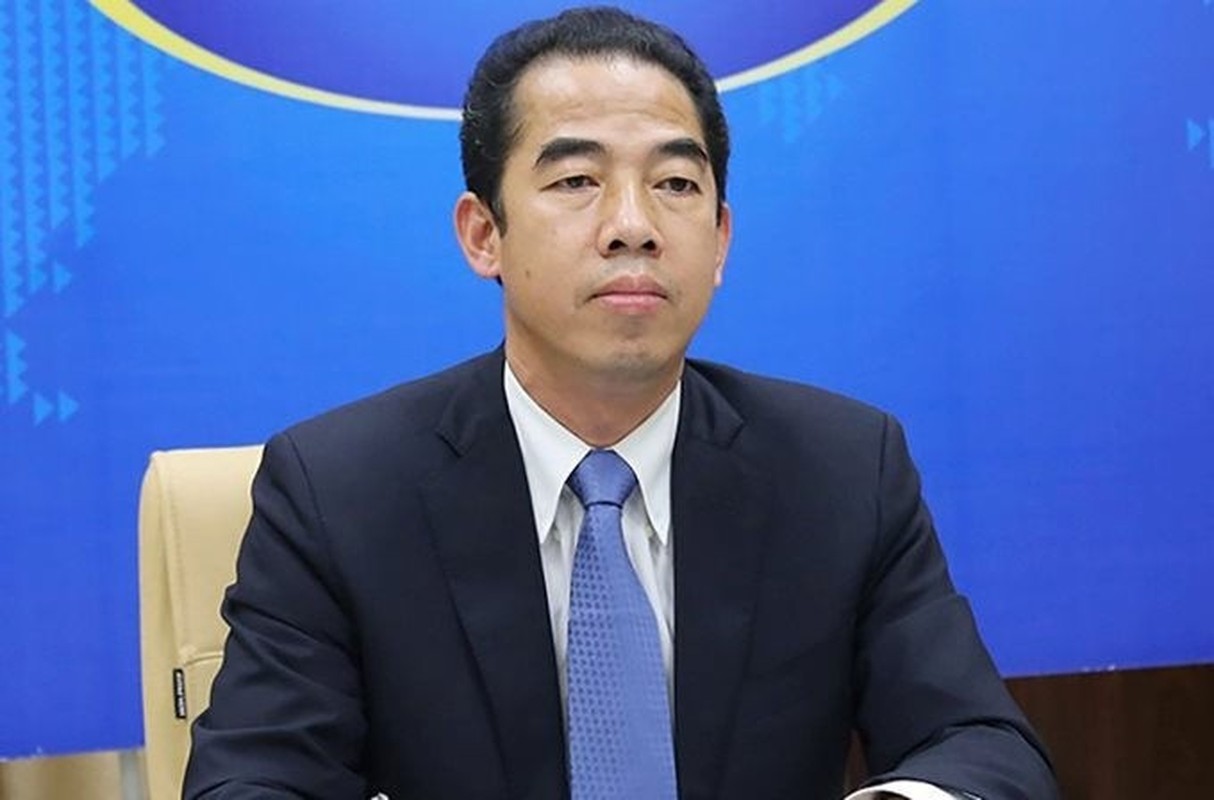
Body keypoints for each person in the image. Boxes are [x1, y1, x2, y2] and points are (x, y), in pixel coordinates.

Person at [184, 7, 1059, 799]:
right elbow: (250, 781)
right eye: (577, 181)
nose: (633, 225)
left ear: (720, 239)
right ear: (483, 234)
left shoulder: (843, 470)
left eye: (676, 184)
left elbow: (982, 747)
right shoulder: (339, 492)